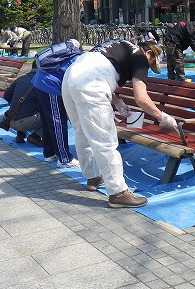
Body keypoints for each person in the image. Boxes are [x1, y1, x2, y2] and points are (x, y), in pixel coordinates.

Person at [62, 39, 178, 208]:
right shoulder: (141, 58)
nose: (148, 67)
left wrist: (116, 101)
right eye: (151, 63)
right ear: (149, 53)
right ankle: (118, 193)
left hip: (71, 76)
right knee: (106, 141)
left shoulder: (120, 44)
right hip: (91, 83)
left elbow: (97, 67)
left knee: (81, 132)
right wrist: (162, 117)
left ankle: (93, 176)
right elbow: (141, 98)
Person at [32, 40, 82, 168]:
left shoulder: (65, 55)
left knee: (47, 120)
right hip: (51, 86)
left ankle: (49, 153)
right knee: (57, 122)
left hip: (40, 82)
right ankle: (64, 159)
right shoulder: (78, 60)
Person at [2, 65, 44, 146]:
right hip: (23, 123)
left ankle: (20, 135)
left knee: (24, 107)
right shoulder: (41, 82)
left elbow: (6, 96)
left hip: (9, 119)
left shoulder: (21, 78)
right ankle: (36, 136)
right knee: (54, 116)